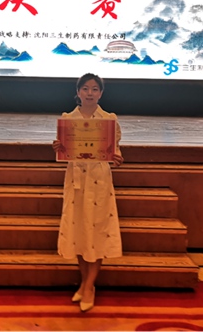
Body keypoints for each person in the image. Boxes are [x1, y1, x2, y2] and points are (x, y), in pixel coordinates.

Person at [52, 73, 123, 313]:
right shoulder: (68, 119)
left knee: (97, 234)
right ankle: (84, 283)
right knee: (79, 234)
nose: (90, 93)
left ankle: (89, 287)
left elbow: (116, 150)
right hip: (76, 182)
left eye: (94, 89)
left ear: (100, 93)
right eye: (85, 88)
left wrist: (117, 157)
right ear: (78, 92)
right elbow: (65, 151)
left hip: (99, 181)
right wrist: (58, 147)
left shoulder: (109, 120)